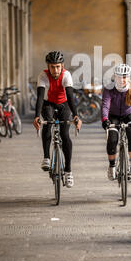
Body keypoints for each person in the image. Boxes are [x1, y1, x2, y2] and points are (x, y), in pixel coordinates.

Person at [33, 51, 82, 188]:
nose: (55, 70)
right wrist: (37, 116)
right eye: (52, 67)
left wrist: (76, 115)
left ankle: (68, 171)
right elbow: (40, 97)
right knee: (47, 123)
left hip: (64, 104)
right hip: (48, 103)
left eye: (58, 67)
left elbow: (71, 98)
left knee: (65, 134)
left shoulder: (66, 75)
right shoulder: (43, 76)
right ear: (48, 66)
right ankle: (46, 158)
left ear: (62, 66)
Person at [101, 63, 131, 180]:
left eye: (125, 77)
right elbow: (105, 105)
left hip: (129, 114)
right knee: (113, 138)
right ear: (115, 76)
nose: (122, 79)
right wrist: (105, 119)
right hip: (113, 115)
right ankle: (112, 166)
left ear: (128, 77)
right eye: (119, 76)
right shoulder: (108, 88)